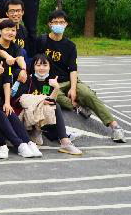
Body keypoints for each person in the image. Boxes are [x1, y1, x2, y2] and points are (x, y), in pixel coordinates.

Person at [34, 10, 126, 143]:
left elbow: (73, 69)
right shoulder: (41, 41)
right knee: (55, 97)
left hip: (69, 80)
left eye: (61, 22)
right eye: (55, 22)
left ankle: (115, 127)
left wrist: (73, 88)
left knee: (88, 95)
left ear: (66, 24)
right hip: (49, 82)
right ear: (49, 24)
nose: (58, 25)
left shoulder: (70, 46)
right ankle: (78, 106)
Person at [0, 29, 41, 159]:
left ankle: (28, 142)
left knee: (9, 112)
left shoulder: (4, 60)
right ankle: (19, 144)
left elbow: (7, 82)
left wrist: (7, 102)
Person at [13, 54, 82, 155]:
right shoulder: (27, 79)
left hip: (39, 115)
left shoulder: (50, 81)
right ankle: (59, 137)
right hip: (24, 116)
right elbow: (20, 100)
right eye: (38, 65)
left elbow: (51, 102)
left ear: (50, 67)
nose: (41, 68)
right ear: (33, 67)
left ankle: (64, 141)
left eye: (45, 65)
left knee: (54, 105)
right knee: (52, 106)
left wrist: (56, 88)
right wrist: (41, 100)